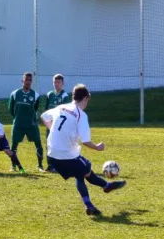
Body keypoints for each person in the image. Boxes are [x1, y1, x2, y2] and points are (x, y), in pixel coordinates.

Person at [40, 84, 126, 216]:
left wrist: (53, 129)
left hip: (52, 154)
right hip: (67, 155)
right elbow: (85, 141)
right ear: (85, 98)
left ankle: (91, 203)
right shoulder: (81, 115)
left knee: (80, 173)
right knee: (87, 173)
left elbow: (44, 116)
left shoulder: (61, 107)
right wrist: (98, 147)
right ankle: (106, 187)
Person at [8, 72, 44, 173]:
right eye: (26, 79)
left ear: (31, 81)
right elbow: (10, 108)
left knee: (38, 143)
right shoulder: (15, 94)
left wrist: (30, 118)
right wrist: (17, 117)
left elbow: (35, 108)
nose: (28, 82)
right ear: (22, 80)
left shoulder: (35, 95)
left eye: (30, 80)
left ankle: (40, 165)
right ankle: (13, 166)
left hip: (31, 124)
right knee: (14, 145)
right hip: (18, 124)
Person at [44, 74, 71, 172]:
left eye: (58, 82)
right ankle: (50, 165)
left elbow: (66, 111)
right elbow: (46, 110)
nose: (56, 84)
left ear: (62, 83)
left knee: (59, 144)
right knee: (49, 144)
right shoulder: (49, 94)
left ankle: (61, 165)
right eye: (55, 82)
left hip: (59, 124)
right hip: (50, 124)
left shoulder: (64, 96)